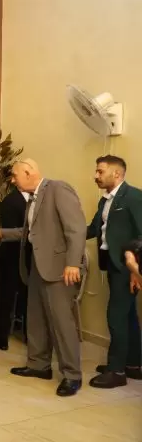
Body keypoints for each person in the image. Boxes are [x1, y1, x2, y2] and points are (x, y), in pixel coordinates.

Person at [0, 159, 85, 397]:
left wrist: (73, 263)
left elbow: (76, 228)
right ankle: (39, 365)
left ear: (28, 172)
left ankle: (72, 375)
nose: (12, 180)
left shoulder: (58, 189)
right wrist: (1, 233)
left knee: (62, 323)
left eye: (14, 175)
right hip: (36, 267)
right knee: (36, 319)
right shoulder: (32, 198)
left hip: (59, 269)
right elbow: (29, 233)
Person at [86, 155, 142, 388]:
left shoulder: (134, 197)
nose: (96, 176)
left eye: (100, 171)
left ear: (117, 174)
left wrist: (134, 268)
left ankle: (116, 371)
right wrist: (67, 234)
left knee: (116, 316)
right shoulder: (105, 200)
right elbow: (93, 229)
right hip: (111, 263)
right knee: (128, 316)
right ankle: (133, 365)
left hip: (126, 268)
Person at [0, 187, 29, 350]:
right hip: (11, 256)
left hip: (29, 258)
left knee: (28, 297)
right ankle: (2, 335)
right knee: (6, 297)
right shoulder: (10, 200)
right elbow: (10, 231)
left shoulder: (37, 199)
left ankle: (29, 333)